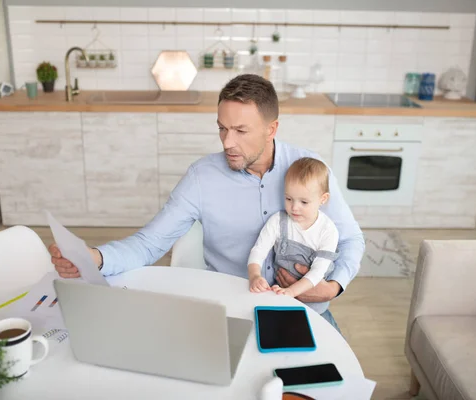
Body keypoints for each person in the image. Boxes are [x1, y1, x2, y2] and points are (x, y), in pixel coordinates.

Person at [50, 74, 365, 332]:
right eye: (222, 128)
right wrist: (95, 258)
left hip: (307, 311)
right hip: (233, 313)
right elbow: (148, 244)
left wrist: (332, 286)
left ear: (272, 129)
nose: (228, 142)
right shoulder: (201, 177)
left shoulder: (310, 167)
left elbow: (351, 238)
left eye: (241, 131)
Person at [248, 157, 339, 309]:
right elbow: (259, 250)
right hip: (282, 296)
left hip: (314, 302)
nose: (294, 208)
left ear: (323, 199)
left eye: (304, 202)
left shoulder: (328, 231)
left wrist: (291, 291)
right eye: (289, 199)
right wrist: (254, 276)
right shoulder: (278, 221)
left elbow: (317, 271)